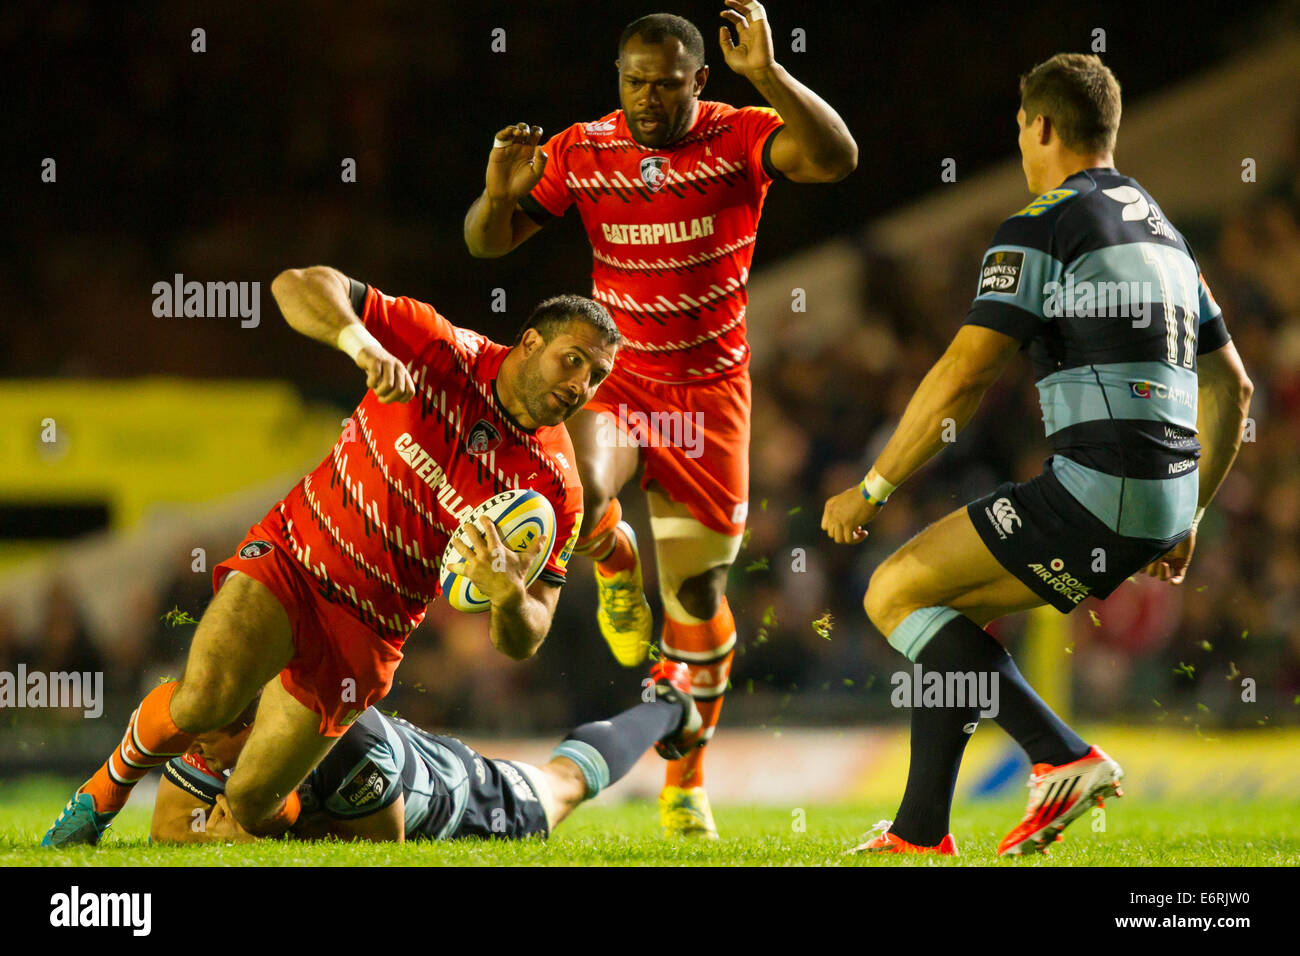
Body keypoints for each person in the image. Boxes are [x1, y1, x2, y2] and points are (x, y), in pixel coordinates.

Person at [822, 53, 1253, 856]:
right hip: (1157, 498)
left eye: (1021, 129)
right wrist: (1188, 511)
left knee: (893, 592)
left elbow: (964, 372)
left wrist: (872, 488)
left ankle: (1061, 753)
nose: (1021, 146)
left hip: (1102, 487)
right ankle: (920, 833)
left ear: (1043, 126)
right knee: (946, 611)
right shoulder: (1165, 232)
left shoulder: (1044, 221)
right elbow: (1233, 385)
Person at [43, 267, 618, 846]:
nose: (581, 385)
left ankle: (303, 811)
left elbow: (525, 638)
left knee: (250, 801)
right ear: (531, 342)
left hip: (364, 636)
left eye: (596, 376)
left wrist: (509, 593)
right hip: (294, 557)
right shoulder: (437, 347)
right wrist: (357, 340)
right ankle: (98, 797)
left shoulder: (556, 488)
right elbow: (296, 284)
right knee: (204, 698)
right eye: (573, 360)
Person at [463, 3, 857, 838]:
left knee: (699, 596)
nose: (648, 99)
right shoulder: (585, 149)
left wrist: (769, 76)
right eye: (635, 83)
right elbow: (487, 245)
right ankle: (612, 558)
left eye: (667, 85)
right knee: (579, 493)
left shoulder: (739, 132)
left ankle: (688, 780)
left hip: (711, 399)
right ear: (618, 80)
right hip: (623, 384)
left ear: (699, 81)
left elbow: (836, 157)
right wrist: (496, 196)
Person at [150, 660, 701, 845]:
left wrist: (268, 829)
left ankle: (672, 705)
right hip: (414, 751)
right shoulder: (213, 731)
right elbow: (167, 834)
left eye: (209, 734)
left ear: (250, 726)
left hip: (466, 799)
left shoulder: (347, 746)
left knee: (563, 784)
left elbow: (381, 849)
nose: (194, 742)